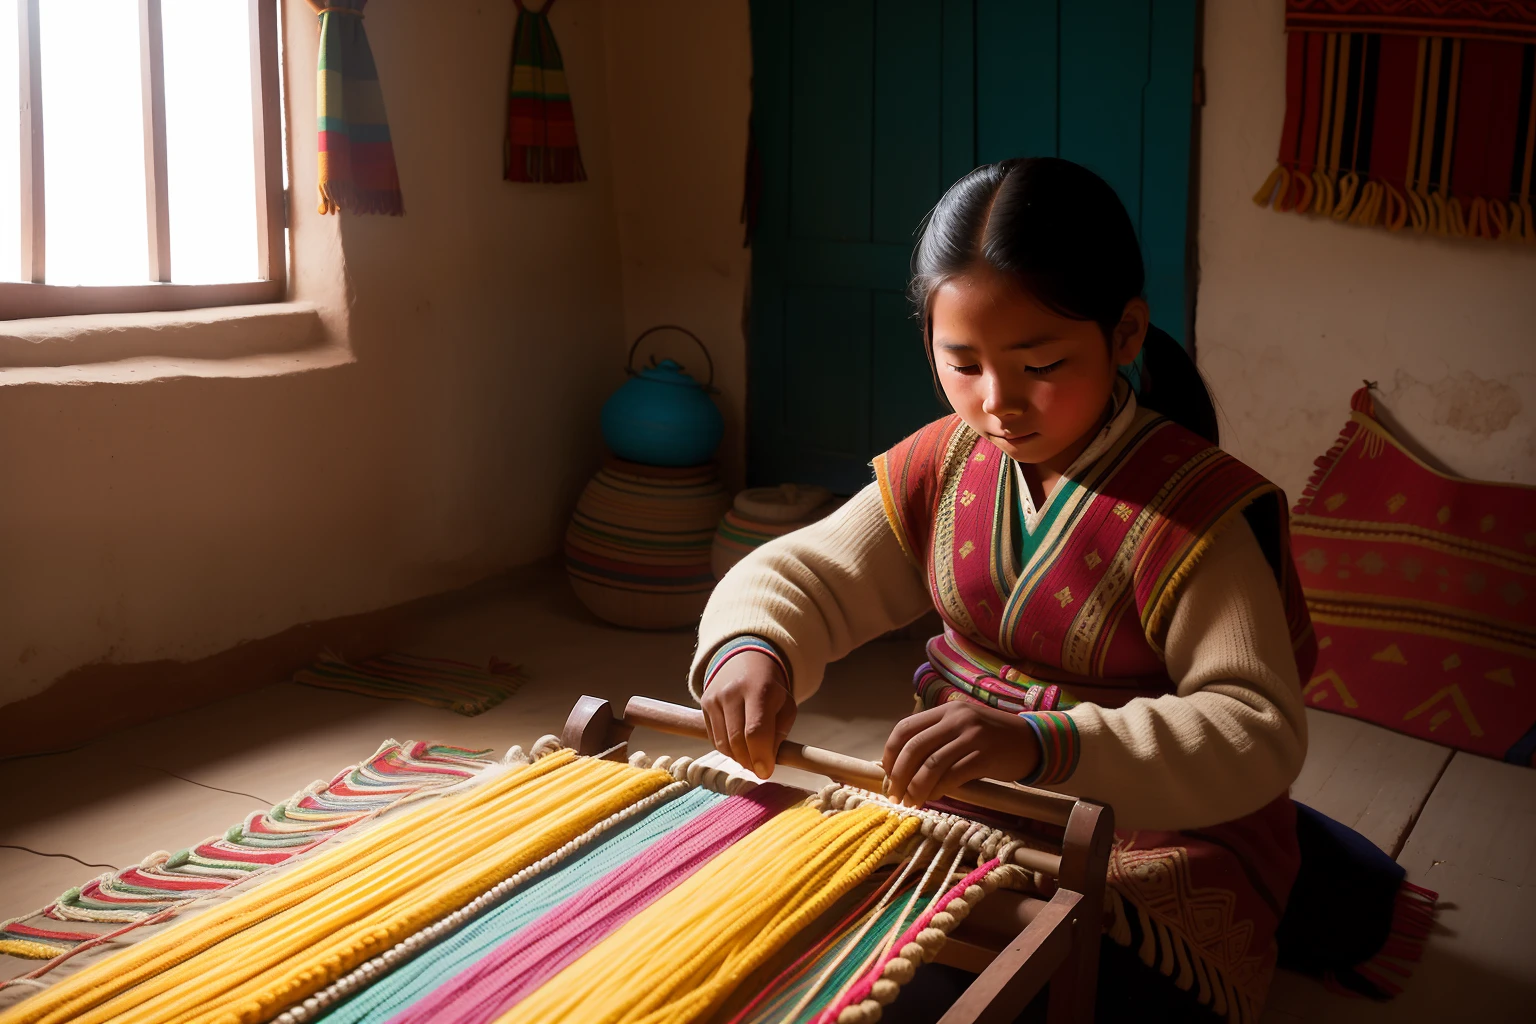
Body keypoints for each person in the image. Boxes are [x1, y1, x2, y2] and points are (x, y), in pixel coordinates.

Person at [690, 157, 1316, 1023]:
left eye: (1040, 363)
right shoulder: (944, 463)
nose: (997, 403)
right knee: (771, 930)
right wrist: (752, 647)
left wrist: (1038, 743)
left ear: (1126, 333)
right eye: (962, 364)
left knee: (987, 993)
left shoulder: (1196, 514)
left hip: (1156, 826)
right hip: (969, 795)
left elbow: (1253, 730)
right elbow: (806, 573)